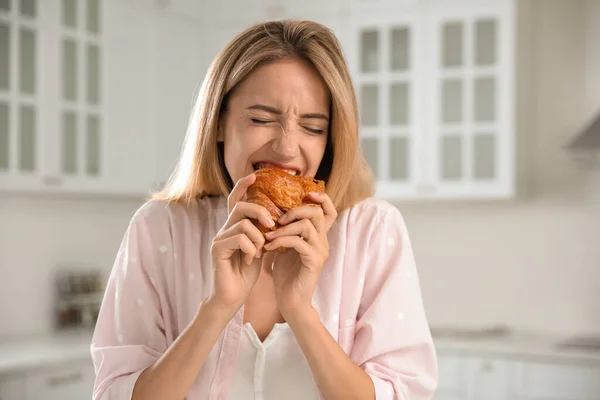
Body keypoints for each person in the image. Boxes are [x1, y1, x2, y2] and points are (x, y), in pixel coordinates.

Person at [91, 19, 438, 400]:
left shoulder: (372, 231)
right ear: (219, 122)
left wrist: (299, 309)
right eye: (260, 119)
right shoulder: (161, 230)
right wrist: (219, 307)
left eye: (313, 127)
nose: (288, 148)